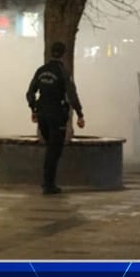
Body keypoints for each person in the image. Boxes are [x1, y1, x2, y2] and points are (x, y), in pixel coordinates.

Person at [25, 41, 85, 195]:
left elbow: (30, 92)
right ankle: (48, 184)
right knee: (54, 151)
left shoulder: (40, 71)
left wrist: (33, 108)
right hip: (57, 115)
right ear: (64, 54)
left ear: (51, 52)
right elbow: (72, 95)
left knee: (50, 148)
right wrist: (79, 114)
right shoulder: (63, 72)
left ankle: (48, 182)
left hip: (42, 114)